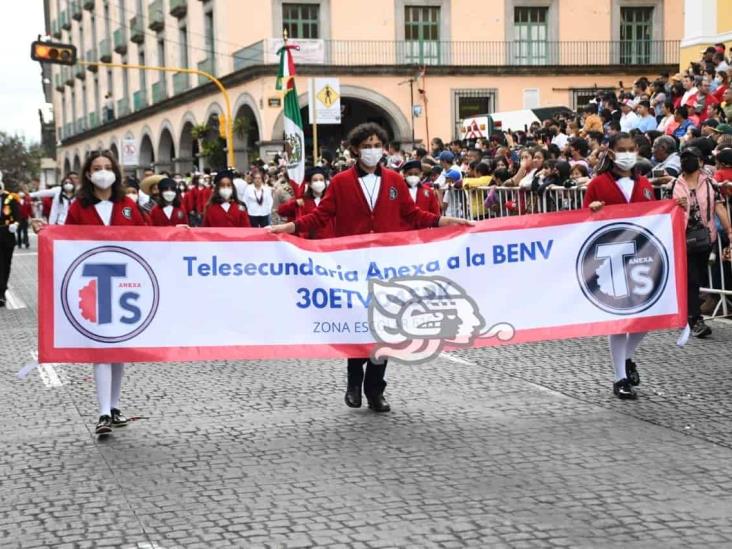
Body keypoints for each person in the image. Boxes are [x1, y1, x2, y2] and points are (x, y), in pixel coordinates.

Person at [269, 122, 472, 413]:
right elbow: (321, 214)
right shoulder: (340, 182)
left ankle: (376, 389)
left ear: (385, 148)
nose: (372, 150)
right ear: (355, 149)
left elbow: (412, 214)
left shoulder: (394, 180)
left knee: (385, 327)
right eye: (367, 146)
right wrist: (290, 226)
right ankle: (354, 380)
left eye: (377, 145)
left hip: (389, 265)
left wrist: (443, 221)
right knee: (359, 323)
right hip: (353, 264)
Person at [63, 150, 147, 435]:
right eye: (96, 167)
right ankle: (102, 414)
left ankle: (114, 407)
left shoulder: (126, 205)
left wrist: (179, 233)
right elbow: (65, 241)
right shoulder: (79, 207)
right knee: (101, 348)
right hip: (93, 285)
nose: (102, 172)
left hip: (124, 286)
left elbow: (147, 236)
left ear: (115, 172)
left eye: (107, 167)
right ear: (88, 174)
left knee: (118, 349)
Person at [583, 132, 656, 400]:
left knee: (646, 317)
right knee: (618, 321)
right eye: (621, 149)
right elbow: (583, 221)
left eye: (631, 149)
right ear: (611, 153)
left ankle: (626, 358)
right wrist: (591, 210)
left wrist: (677, 206)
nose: (627, 153)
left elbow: (656, 217)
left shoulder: (645, 183)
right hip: (611, 259)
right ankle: (620, 378)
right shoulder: (598, 184)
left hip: (641, 258)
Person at [671, 146, 732, 338]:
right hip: (683, 239)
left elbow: (719, 208)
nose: (686, 162)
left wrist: (730, 231)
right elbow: (668, 212)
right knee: (692, 278)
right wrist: (676, 205)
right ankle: (695, 319)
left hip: (706, 238)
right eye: (684, 158)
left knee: (699, 277)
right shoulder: (675, 184)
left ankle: (691, 315)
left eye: (691, 158)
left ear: (700, 161)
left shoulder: (710, 183)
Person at [276, 167, 333, 238]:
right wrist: (295, 203)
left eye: (321, 180)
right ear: (309, 183)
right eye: (315, 180)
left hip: (327, 240)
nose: (319, 182)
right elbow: (281, 211)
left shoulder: (330, 199)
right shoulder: (303, 200)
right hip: (308, 242)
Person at [0, 182, 20, 307]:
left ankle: (2, 290)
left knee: (5, 264)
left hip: (6, 233)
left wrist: (16, 224)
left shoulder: (10, 198)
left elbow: (18, 215)